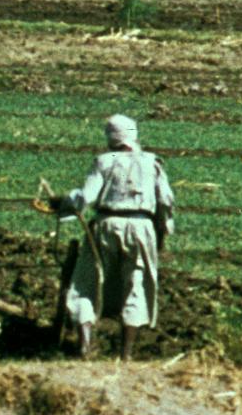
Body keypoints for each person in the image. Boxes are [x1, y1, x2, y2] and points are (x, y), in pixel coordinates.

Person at [59, 114, 174, 359]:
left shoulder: (104, 161)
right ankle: (126, 354)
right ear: (134, 136)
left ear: (110, 138)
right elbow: (165, 201)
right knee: (136, 284)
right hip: (142, 227)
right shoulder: (152, 163)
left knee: (86, 282)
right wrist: (163, 232)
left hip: (106, 224)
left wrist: (66, 202)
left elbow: (86, 196)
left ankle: (85, 345)